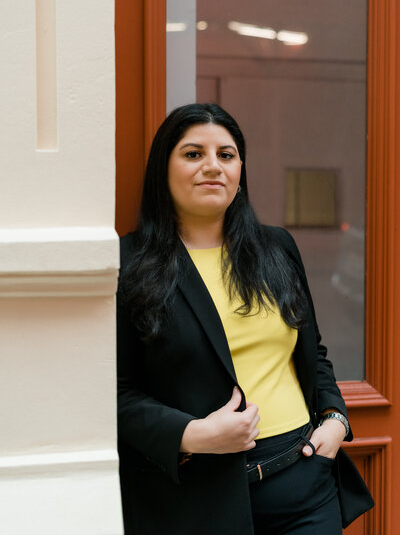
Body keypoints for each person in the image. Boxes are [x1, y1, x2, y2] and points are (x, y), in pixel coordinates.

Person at [117, 103, 373, 535]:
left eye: (227, 155)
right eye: (193, 154)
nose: (213, 167)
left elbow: (314, 353)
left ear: (240, 171)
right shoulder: (129, 262)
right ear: (164, 167)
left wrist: (335, 418)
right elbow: (116, 393)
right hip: (195, 500)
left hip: (305, 485)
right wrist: (191, 435)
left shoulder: (276, 248)